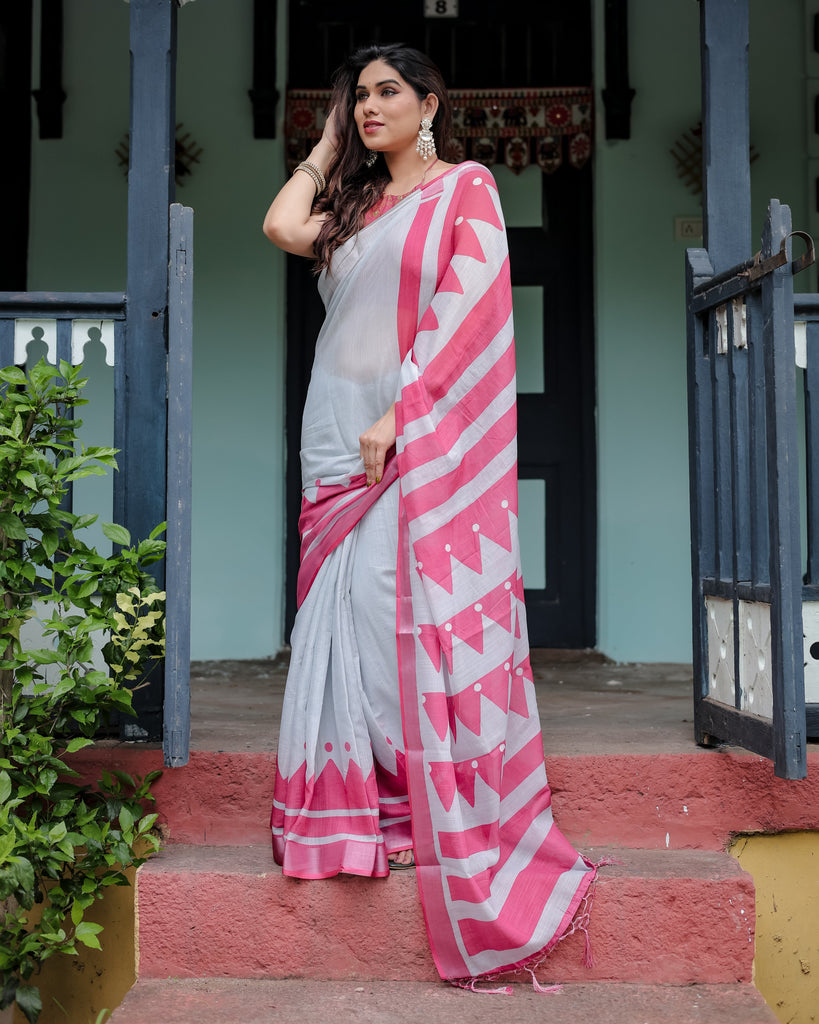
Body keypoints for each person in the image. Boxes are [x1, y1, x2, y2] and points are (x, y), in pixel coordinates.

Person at [263, 43, 597, 989]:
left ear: (429, 104)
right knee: (343, 611)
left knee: (387, 605)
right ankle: (353, 808)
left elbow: (469, 313)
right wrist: (327, 145)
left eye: (385, 94)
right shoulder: (351, 205)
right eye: (357, 97)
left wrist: (404, 410)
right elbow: (279, 224)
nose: (369, 108)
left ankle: (419, 803)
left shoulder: (467, 191)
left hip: (410, 428)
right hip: (331, 425)